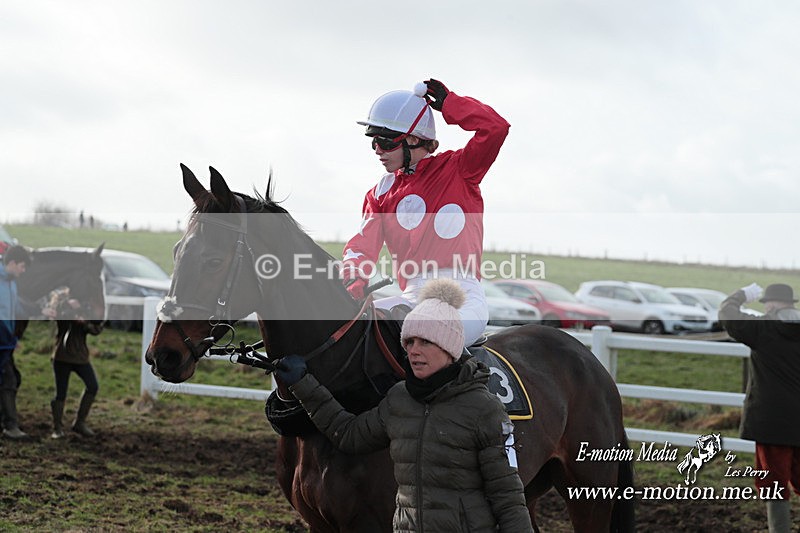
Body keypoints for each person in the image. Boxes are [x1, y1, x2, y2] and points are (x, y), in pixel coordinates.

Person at [277, 279, 533, 532]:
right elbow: (348, 434)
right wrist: (303, 385)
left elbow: (507, 495)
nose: (414, 351)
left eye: (425, 342)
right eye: (409, 342)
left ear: (449, 347)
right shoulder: (399, 398)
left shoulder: (485, 409)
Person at [340, 78, 510, 347]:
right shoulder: (379, 194)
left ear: (413, 139)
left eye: (384, 141)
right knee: (346, 333)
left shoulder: (460, 169)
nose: (377, 150)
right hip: (411, 296)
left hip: (461, 297)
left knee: (427, 341)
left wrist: (451, 104)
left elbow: (496, 128)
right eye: (373, 142)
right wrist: (354, 278)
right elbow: (362, 248)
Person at [719, 282, 800, 532]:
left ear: (772, 304)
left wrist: (741, 295)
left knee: (773, 480)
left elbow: (727, 314)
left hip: (772, 421)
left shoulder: (764, 328)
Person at [42, 287, 103, 438]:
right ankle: (57, 428)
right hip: (62, 355)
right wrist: (72, 308)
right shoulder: (61, 301)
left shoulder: (86, 304)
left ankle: (79, 423)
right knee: (61, 393)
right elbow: (58, 316)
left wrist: (84, 321)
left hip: (80, 356)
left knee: (92, 386)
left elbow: (97, 328)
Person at [0, 245, 31, 439]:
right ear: (11, 263)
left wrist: (42, 310)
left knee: (11, 379)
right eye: (22, 266)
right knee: (10, 380)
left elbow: (17, 306)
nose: (23, 270)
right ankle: (10, 426)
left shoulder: (11, 283)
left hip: (5, 343)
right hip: (3, 342)